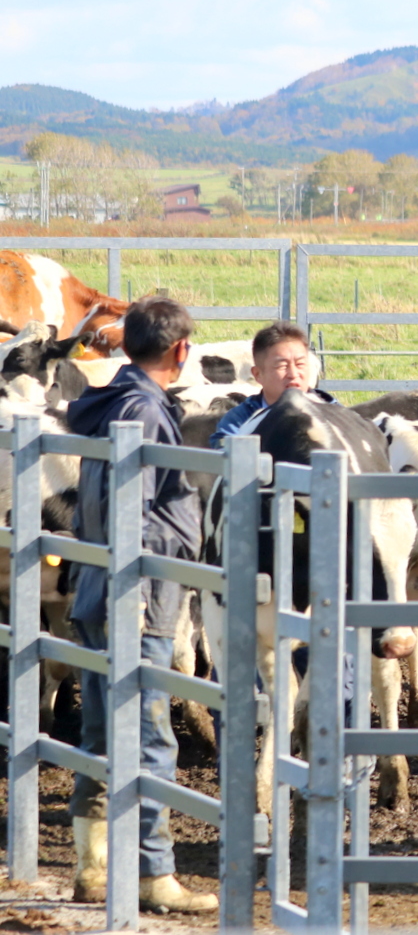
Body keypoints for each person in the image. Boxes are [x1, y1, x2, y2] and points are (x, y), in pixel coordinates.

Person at [66, 297, 218, 913]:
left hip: (101, 587)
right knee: (150, 734)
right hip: (140, 596)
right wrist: (187, 537)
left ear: (127, 346)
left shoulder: (110, 402)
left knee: (103, 731)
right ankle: (153, 873)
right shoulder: (144, 410)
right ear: (182, 351)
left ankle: (92, 865)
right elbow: (139, 514)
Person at [210, 320, 338, 447]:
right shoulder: (239, 421)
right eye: (282, 366)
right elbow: (226, 456)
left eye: (300, 364)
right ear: (258, 375)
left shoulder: (336, 414)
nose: (293, 374)